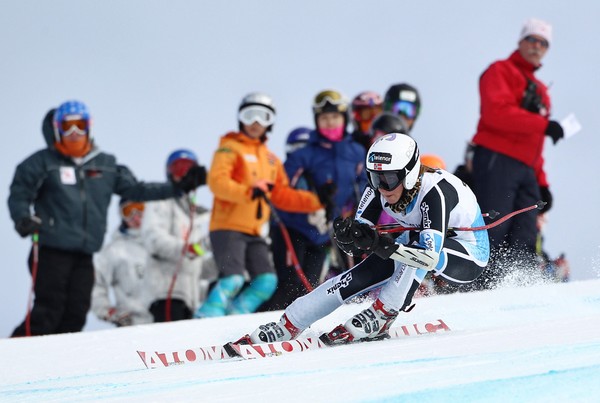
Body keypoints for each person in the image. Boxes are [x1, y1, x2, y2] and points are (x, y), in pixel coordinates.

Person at [241, 133, 489, 345]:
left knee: (411, 250)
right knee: (356, 275)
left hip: (468, 254)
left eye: (389, 179)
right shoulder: (378, 188)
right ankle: (290, 322)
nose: (382, 187)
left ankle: (384, 313)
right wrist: (349, 238)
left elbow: (427, 256)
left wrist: (382, 246)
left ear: (409, 174)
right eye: (374, 177)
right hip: (417, 244)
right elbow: (360, 240)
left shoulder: (434, 193)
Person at [7, 101, 206, 337]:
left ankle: (54, 366)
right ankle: (12, 361)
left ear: (89, 127)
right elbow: (20, 192)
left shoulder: (105, 166)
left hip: (84, 253)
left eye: (80, 126)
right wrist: (23, 218)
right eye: (67, 127)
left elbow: (137, 190)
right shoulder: (43, 162)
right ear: (57, 129)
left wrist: (178, 188)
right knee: (49, 310)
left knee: (76, 312)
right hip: (51, 249)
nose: (74, 133)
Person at [194, 92, 325, 318]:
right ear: (240, 118)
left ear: (270, 122)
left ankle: (235, 316)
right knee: (232, 279)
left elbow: (282, 195)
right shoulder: (229, 148)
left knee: (266, 281)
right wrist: (248, 190)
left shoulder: (270, 159)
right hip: (228, 226)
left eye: (263, 117)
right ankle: (206, 318)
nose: (256, 123)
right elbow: (217, 182)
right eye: (250, 115)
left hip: (255, 231)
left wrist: (317, 201)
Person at [468, 18, 562, 288]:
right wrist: (544, 124)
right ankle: (476, 286)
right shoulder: (500, 71)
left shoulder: (542, 92)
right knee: (494, 226)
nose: (537, 46)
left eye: (543, 43)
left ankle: (516, 289)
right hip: (497, 158)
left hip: (526, 169)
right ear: (520, 42)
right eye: (532, 40)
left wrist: (542, 182)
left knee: (525, 233)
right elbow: (496, 113)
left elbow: (535, 144)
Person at [263, 89, 368, 310]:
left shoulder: (356, 152)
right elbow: (279, 192)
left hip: (323, 233)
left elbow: (364, 185)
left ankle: (298, 333)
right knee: (289, 285)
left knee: (309, 290)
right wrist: (312, 202)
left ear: (344, 118)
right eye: (324, 118)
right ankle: (261, 326)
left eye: (334, 117)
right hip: (294, 228)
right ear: (316, 121)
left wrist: (351, 211)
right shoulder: (304, 155)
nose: (330, 123)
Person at [141, 149, 214, 322]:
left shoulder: (195, 212)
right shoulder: (161, 200)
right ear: (169, 172)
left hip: (191, 297)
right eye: (178, 168)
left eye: (189, 169)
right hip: (166, 293)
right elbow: (153, 239)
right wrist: (187, 249)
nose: (183, 174)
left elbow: (198, 262)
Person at [91, 200, 153, 327]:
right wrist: (107, 311)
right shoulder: (115, 250)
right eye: (128, 211)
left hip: (169, 321)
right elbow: (96, 283)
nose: (135, 217)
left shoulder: (163, 246)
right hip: (133, 326)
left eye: (139, 209)